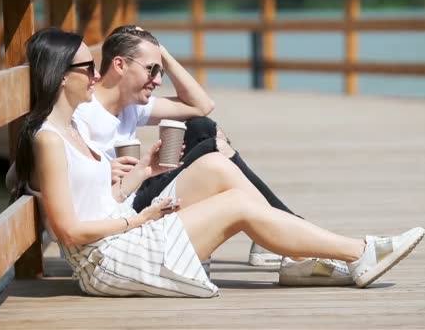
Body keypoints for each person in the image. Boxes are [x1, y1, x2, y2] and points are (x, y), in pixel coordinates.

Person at [13, 27, 425, 297]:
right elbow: (68, 231)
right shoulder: (51, 138)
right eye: (87, 67)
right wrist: (139, 219)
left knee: (215, 165)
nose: (95, 74)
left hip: (117, 229)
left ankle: (319, 256)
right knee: (236, 202)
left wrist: (142, 173)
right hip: (105, 259)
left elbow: (96, 197)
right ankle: (358, 252)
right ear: (61, 75)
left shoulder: (72, 130)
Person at [72, 25, 298, 267]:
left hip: (135, 189)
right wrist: (106, 173)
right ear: (119, 65)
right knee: (212, 145)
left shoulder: (131, 106)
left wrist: (162, 54)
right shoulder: (83, 111)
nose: (158, 80)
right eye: (151, 69)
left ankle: (285, 226)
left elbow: (202, 105)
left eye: (160, 71)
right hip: (125, 206)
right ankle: (289, 228)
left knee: (202, 127)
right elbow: (73, 180)